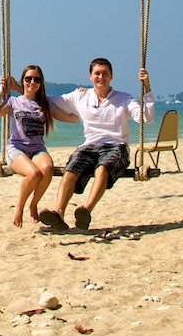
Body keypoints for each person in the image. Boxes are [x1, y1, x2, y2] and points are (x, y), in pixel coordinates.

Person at [38, 58, 153, 232]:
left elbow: (146, 118)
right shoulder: (80, 96)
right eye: (97, 73)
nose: (101, 77)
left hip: (116, 146)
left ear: (111, 76)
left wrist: (147, 87)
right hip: (89, 146)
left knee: (102, 168)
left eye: (105, 73)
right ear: (90, 76)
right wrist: (18, 89)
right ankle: (59, 213)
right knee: (71, 169)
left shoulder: (124, 99)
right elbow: (50, 100)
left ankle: (86, 210)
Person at [0, 65, 76, 227]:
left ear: (41, 83)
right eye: (28, 79)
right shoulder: (14, 101)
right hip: (16, 148)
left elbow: (72, 118)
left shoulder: (45, 104)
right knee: (34, 173)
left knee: (48, 168)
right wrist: (1, 90)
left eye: (37, 79)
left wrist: (83, 99)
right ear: (23, 81)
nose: (32, 82)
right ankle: (19, 208)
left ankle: (33, 204)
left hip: (37, 149)